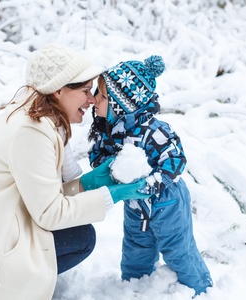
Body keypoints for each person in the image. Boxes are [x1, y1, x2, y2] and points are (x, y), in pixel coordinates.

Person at [0, 44, 149, 300]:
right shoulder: (31, 131)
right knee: (81, 237)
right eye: (85, 91)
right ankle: (3, 289)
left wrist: (85, 185)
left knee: (77, 234)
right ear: (58, 90)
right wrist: (109, 196)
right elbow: (49, 213)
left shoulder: (33, 115)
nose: (92, 100)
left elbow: (39, 193)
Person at [88, 55, 213, 296]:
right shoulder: (109, 132)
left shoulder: (153, 131)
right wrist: (110, 168)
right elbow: (98, 157)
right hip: (135, 206)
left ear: (122, 104)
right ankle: (134, 289)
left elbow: (175, 159)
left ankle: (201, 289)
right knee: (135, 251)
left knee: (179, 251)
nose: (95, 100)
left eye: (102, 96)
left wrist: (152, 183)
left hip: (168, 203)